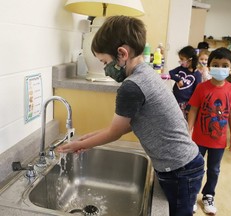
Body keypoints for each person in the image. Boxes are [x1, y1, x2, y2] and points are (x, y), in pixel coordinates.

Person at [57, 15, 204, 216]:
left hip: (179, 169)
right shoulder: (146, 73)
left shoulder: (131, 86)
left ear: (122, 53)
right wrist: (86, 138)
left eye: (105, 61)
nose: (104, 68)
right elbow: (128, 124)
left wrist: (79, 145)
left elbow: (114, 133)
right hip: (184, 163)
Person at [187, 47, 231, 214]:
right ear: (209, 67)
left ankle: (208, 195)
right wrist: (188, 130)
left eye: (225, 65)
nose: (220, 68)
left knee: (214, 169)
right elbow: (194, 110)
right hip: (198, 139)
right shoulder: (201, 88)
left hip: (218, 141)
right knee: (195, 167)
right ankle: (192, 194)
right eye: (216, 64)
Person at [169, 45, 202, 120]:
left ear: (190, 60)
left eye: (182, 59)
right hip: (175, 100)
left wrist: (190, 106)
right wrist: (178, 79)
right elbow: (171, 73)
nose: (180, 62)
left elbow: (196, 92)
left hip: (185, 104)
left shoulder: (197, 75)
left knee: (182, 121)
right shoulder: (181, 69)